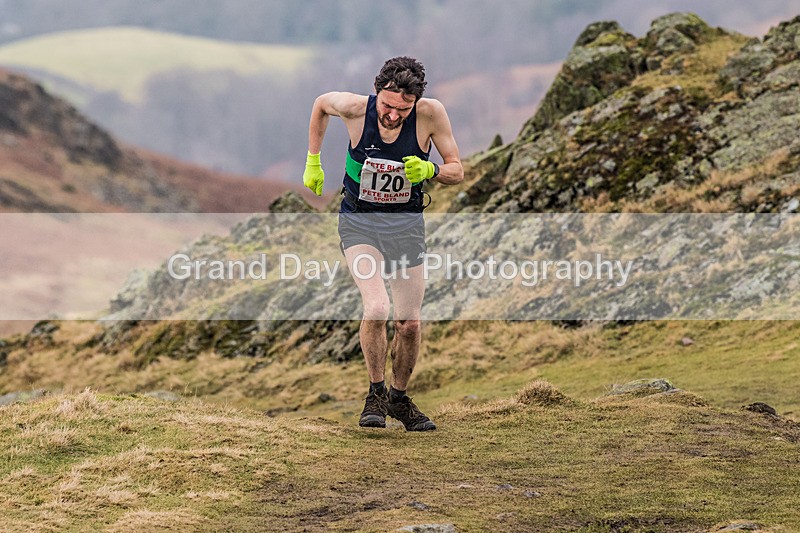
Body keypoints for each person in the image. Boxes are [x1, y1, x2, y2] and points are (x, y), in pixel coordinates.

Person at [302, 56, 463, 431]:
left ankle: (398, 399)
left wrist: (433, 170)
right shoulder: (357, 109)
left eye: (402, 110)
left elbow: (457, 168)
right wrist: (314, 161)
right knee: (376, 307)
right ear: (378, 94)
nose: (392, 115)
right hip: (359, 222)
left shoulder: (430, 114)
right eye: (388, 107)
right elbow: (320, 104)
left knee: (408, 323)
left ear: (416, 103)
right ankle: (373, 394)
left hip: (406, 226)